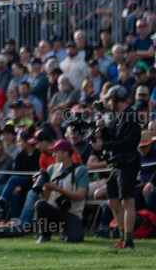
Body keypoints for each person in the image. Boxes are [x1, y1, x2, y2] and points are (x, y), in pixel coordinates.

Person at [94, 85, 143, 250]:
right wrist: (103, 128)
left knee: (127, 201)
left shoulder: (132, 115)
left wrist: (104, 145)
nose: (107, 102)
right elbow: (114, 137)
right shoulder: (117, 117)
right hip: (117, 163)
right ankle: (122, 239)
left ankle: (129, 242)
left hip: (128, 163)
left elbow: (129, 143)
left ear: (116, 99)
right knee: (113, 201)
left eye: (109, 99)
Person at [32, 139, 89, 243]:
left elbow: (80, 196)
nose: (53, 155)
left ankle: (65, 231)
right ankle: (44, 235)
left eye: (56, 152)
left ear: (65, 153)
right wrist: (44, 187)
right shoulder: (51, 169)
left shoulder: (81, 170)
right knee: (40, 204)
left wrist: (59, 189)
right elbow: (45, 199)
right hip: (54, 209)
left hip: (72, 212)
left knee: (75, 239)